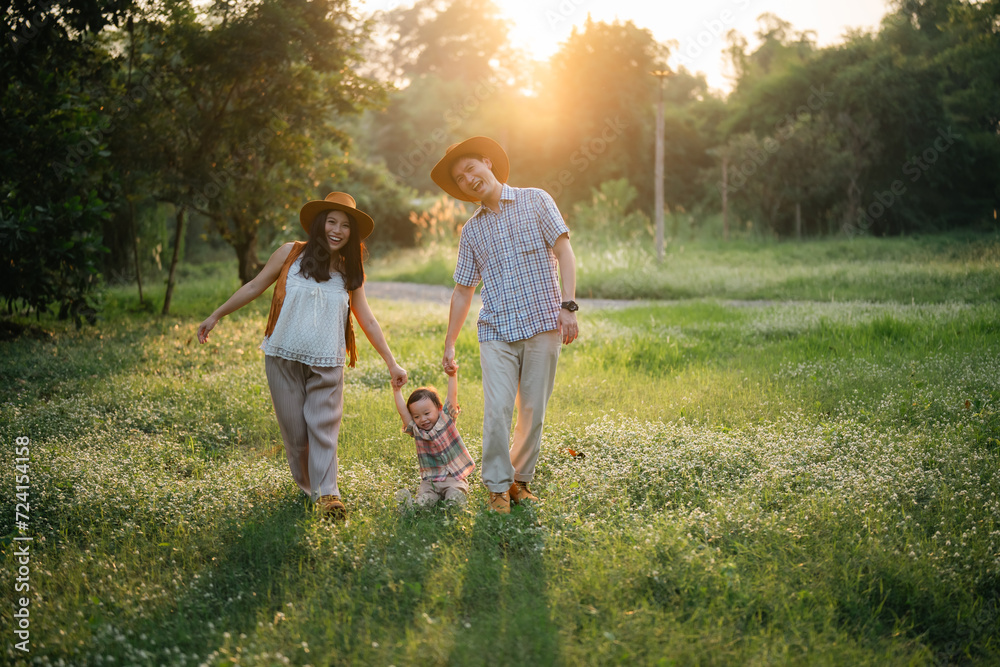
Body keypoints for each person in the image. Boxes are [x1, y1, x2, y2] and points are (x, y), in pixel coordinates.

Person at [197, 192, 407, 519]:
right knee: (297, 437)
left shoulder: (349, 271)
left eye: (345, 226)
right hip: (283, 359)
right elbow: (254, 286)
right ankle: (310, 490)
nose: (337, 230)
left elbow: (366, 318)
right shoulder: (290, 254)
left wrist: (391, 362)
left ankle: (328, 496)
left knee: (323, 429)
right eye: (331, 222)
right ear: (320, 224)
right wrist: (216, 315)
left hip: (327, 364)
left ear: (352, 233)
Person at [430, 136, 579, 514]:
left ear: (487, 162)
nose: (469, 179)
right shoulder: (472, 231)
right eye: (460, 179)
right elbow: (463, 291)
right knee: (497, 410)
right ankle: (497, 487)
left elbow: (564, 250)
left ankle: (519, 482)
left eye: (471, 169)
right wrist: (449, 342)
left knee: (532, 410)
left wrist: (569, 306)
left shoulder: (536, 200)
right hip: (496, 330)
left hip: (543, 323)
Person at [392, 362, 474, 507]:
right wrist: (397, 390)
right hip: (431, 481)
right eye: (416, 416)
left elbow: (452, 396)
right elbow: (403, 412)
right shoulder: (417, 430)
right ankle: (411, 506)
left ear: (439, 408)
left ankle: (454, 503)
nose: (422, 419)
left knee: (455, 491)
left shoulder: (447, 419)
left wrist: (452, 375)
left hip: (454, 477)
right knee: (425, 499)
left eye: (427, 413)